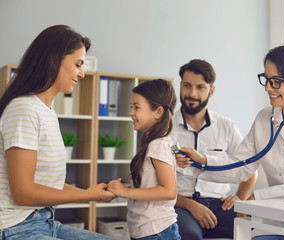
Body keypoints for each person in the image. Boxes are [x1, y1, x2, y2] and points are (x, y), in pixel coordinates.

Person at [176, 44, 284, 240]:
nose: (268, 88)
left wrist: (259, 197)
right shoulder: (264, 118)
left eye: (276, 81)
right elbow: (240, 167)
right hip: (282, 219)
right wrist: (202, 161)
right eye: (267, 80)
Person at [0, 25, 117, 240]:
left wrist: (90, 193)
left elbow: (48, 183)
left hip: (46, 221)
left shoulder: (47, 111)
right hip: (15, 228)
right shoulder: (23, 109)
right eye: (78, 64)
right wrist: (88, 196)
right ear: (53, 60)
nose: (82, 73)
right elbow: (23, 192)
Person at [171, 59, 257, 239]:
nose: (192, 93)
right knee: (190, 235)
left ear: (211, 90)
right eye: (187, 85)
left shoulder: (227, 126)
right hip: (180, 205)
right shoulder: (166, 127)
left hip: (219, 206)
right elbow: (153, 183)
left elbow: (249, 170)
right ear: (180, 86)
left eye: (200, 87)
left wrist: (240, 197)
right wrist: (189, 205)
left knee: (257, 230)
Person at [107, 79, 180, 240]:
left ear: (158, 112)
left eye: (136, 107)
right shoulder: (159, 141)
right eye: (131, 107)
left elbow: (169, 191)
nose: (131, 112)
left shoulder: (158, 144)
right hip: (150, 230)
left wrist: (126, 192)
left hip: (156, 231)